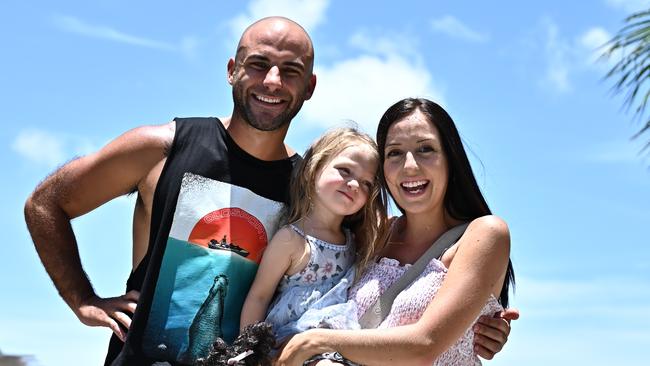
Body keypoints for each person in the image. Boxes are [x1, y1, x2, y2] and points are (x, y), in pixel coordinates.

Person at [22, 16, 513, 365]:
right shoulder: (163, 147)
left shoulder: (313, 187)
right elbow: (46, 203)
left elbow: (374, 280)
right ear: (232, 68)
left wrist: (475, 328)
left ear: (311, 86)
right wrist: (83, 300)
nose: (272, 81)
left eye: (290, 71)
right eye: (258, 64)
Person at [277, 98, 516, 366]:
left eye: (426, 149)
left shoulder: (484, 234)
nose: (410, 166)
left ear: (451, 158)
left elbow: (424, 345)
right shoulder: (374, 234)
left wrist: (314, 341)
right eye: (394, 153)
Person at [240, 128, 386, 345]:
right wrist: (248, 353)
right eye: (345, 171)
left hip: (332, 343)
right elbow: (259, 297)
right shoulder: (291, 239)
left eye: (367, 183)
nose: (355, 184)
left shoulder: (354, 241)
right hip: (286, 344)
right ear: (313, 169)